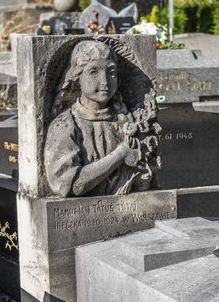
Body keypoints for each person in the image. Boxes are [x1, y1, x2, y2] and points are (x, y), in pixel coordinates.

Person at [44, 41, 157, 197]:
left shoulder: (125, 121)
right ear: (77, 77)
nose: (104, 81)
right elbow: (72, 185)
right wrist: (120, 154)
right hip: (78, 216)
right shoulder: (65, 125)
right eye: (93, 71)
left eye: (111, 72)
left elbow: (143, 183)